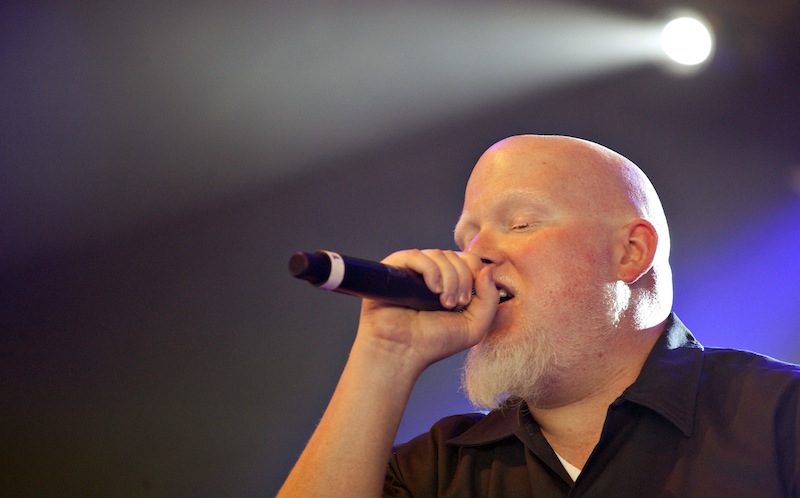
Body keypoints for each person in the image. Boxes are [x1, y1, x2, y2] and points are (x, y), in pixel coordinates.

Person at [278, 135, 800, 497]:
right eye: (467, 238)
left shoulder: (780, 418)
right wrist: (383, 355)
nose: (473, 256)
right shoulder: (438, 469)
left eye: (521, 223)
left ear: (631, 253)